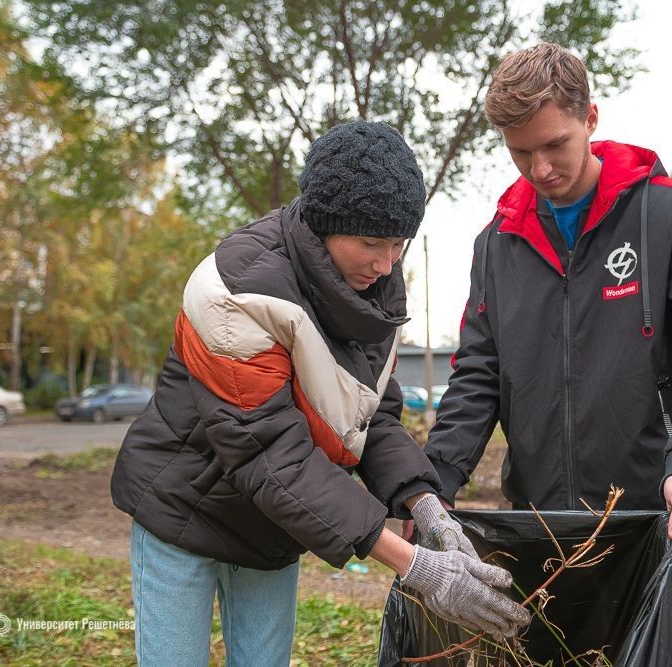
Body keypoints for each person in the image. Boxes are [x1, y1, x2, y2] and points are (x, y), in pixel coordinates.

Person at [110, 120, 529, 666]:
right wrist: (416, 565)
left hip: (272, 526)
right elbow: (270, 454)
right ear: (326, 225)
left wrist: (425, 505)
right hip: (182, 512)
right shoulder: (237, 289)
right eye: (372, 243)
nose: (386, 263)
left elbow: (369, 420)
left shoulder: (373, 296)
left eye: (398, 243)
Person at [412, 42, 672, 629]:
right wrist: (436, 483)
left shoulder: (666, 215)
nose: (541, 169)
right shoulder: (497, 243)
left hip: (650, 516)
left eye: (555, 145)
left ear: (590, 118)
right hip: (536, 522)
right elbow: (477, 377)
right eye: (521, 152)